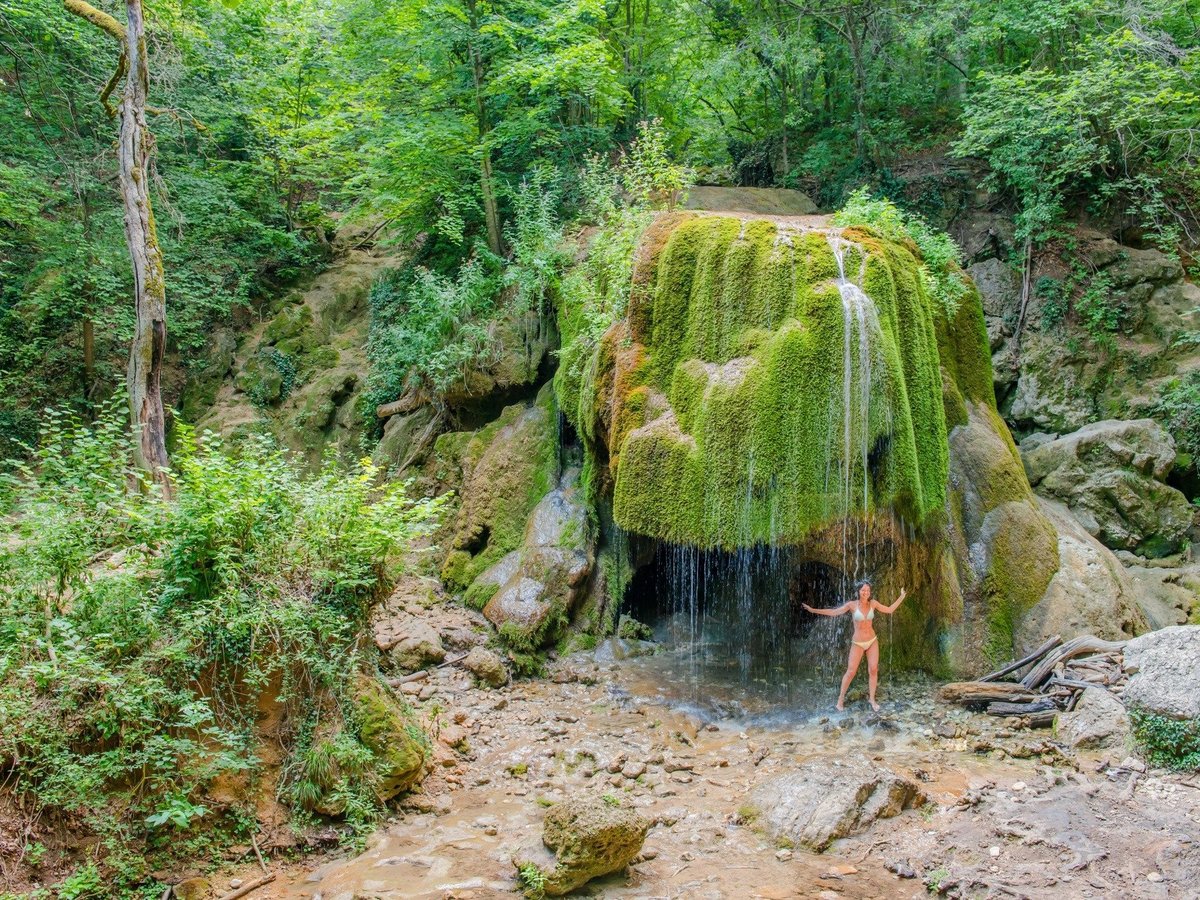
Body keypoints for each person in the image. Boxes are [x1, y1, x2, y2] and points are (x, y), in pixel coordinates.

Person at [802, 581, 907, 711]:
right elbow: (834, 612)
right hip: (857, 643)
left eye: (868, 590)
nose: (866, 592)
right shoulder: (852, 605)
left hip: (872, 641)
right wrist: (813, 610)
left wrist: (902, 596)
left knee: (873, 670)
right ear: (859, 591)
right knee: (851, 671)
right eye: (863, 590)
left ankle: (872, 699)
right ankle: (840, 699)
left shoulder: (873, 603)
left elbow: (890, 610)